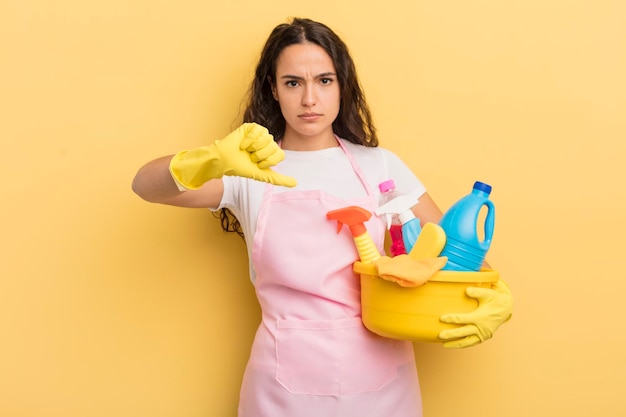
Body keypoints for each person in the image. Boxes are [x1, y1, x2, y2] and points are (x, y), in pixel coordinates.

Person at [132, 17, 512, 417]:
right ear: (273, 90)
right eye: (293, 82)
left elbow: (457, 255)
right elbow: (145, 186)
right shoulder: (249, 171)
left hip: (382, 386)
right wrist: (208, 159)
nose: (309, 99)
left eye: (324, 81)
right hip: (281, 390)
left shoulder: (381, 166)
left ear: (342, 86)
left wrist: (499, 295)